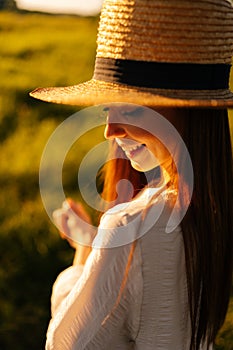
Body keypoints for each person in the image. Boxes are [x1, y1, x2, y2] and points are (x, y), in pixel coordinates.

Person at [30, 0, 233, 349]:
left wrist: (83, 256)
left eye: (128, 107)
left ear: (185, 108)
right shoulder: (215, 210)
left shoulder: (131, 226)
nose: (110, 130)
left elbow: (64, 344)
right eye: (108, 108)